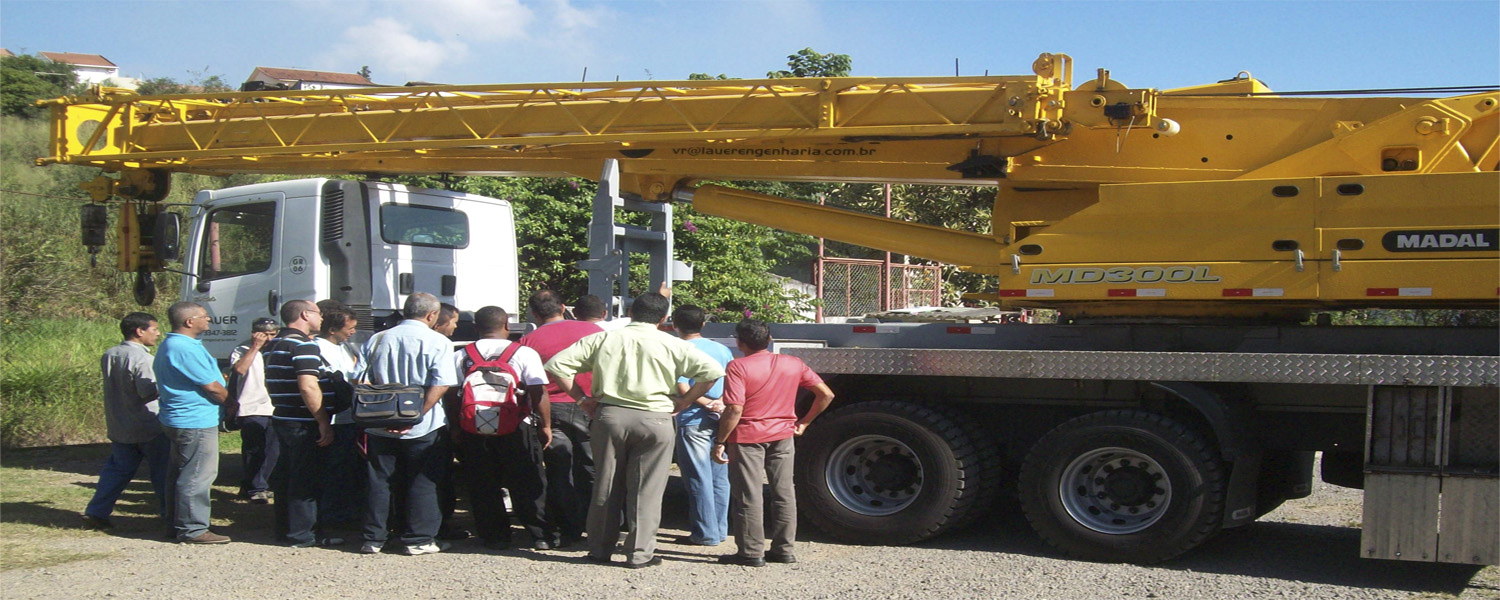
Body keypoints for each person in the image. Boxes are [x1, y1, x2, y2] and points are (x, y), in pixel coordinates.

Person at [546, 291, 724, 569]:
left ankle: (600, 549)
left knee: (606, 484)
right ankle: (640, 554)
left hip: (610, 416)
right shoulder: (673, 343)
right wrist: (685, 401)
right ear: (664, 318)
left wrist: (582, 399)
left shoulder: (604, 338)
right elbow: (711, 372)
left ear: (630, 313)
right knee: (647, 489)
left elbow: (556, 365)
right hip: (656, 418)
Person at [713, 319, 835, 566]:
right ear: (769, 340)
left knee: (749, 495)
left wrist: (720, 440)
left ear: (740, 342)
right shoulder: (793, 363)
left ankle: (750, 552)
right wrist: (805, 422)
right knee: (784, 492)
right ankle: (784, 549)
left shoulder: (738, 367)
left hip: (748, 437)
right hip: (783, 435)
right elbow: (826, 394)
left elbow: (735, 409)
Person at [360, 292, 460, 556]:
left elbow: (358, 379)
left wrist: (383, 407)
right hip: (423, 424)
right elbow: (442, 383)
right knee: (423, 480)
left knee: (379, 480)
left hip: (378, 422)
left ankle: (374, 537)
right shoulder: (438, 341)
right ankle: (419, 539)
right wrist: (415, 414)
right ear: (432, 315)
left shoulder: (377, 338)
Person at [450, 306, 552, 550]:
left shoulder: (462, 354)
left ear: (476, 328)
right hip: (516, 426)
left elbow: (452, 396)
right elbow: (538, 391)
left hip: (474, 428)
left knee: (482, 482)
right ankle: (540, 534)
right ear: (507, 325)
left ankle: (494, 535)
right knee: (527, 479)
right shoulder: (524, 353)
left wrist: (455, 426)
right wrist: (545, 425)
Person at [518, 290, 602, 546]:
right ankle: (600, 523)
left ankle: (569, 528)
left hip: (551, 410)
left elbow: (529, 383)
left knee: (559, 470)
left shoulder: (528, 341)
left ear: (534, 314)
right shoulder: (594, 332)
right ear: (564, 307)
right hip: (591, 405)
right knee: (594, 466)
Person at [264, 299, 344, 548]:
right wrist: (322, 421)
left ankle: (286, 529)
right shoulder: (303, 345)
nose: (321, 319)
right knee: (306, 479)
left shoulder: (273, 344)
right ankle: (303, 533)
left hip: (283, 417)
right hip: (303, 421)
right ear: (304, 315)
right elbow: (308, 385)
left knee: (287, 475)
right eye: (318, 314)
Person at [82, 312, 169, 530]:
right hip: (149, 425)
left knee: (116, 471)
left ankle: (97, 511)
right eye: (155, 329)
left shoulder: (110, 354)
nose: (158, 334)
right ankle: (171, 515)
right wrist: (168, 383)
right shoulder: (144, 358)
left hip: (120, 423)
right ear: (140, 332)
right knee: (162, 473)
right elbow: (146, 392)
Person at [154, 301, 231, 544]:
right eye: (205, 317)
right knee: (197, 474)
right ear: (189, 321)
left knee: (180, 472)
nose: (209, 320)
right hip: (194, 420)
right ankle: (193, 529)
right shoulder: (184, 348)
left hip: (182, 417)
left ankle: (174, 523)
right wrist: (231, 402)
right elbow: (211, 387)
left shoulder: (175, 345)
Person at [671, 305, 733, 546]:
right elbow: (731, 381)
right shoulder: (721, 349)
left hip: (692, 418)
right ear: (704, 324)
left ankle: (703, 533)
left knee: (697, 476)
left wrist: (705, 402)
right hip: (720, 416)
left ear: (675, 324)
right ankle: (719, 529)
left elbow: (682, 386)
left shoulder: (678, 349)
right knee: (719, 475)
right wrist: (719, 403)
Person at [314, 301, 366, 528]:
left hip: (349, 416)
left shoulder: (342, 346)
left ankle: (345, 510)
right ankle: (331, 515)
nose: (353, 331)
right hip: (335, 418)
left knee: (347, 469)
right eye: (349, 327)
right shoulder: (318, 349)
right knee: (333, 470)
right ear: (332, 329)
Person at [228, 317, 279, 504]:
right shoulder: (241, 349)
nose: (269, 338)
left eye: (273, 334)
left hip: (273, 406)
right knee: (254, 450)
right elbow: (240, 369)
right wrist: (255, 347)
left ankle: (257, 484)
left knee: (272, 450)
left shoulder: (277, 349)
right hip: (251, 406)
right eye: (265, 334)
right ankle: (254, 487)